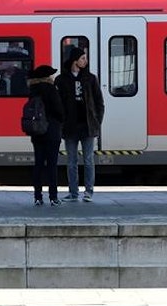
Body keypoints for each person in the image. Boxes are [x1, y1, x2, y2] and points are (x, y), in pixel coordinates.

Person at [56, 47, 106, 203]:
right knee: (71, 161)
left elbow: (99, 102)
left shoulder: (91, 79)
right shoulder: (61, 80)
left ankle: (88, 192)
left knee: (89, 159)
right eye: (83, 58)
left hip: (87, 126)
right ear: (75, 60)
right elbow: (58, 103)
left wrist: (97, 122)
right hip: (70, 126)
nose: (86, 61)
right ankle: (73, 192)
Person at [24, 63, 66, 206]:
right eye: (50, 75)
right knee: (52, 165)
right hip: (52, 131)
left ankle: (37, 196)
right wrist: (61, 121)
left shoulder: (32, 90)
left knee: (39, 164)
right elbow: (59, 110)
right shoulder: (51, 90)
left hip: (37, 132)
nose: (52, 77)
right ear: (46, 77)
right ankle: (53, 197)